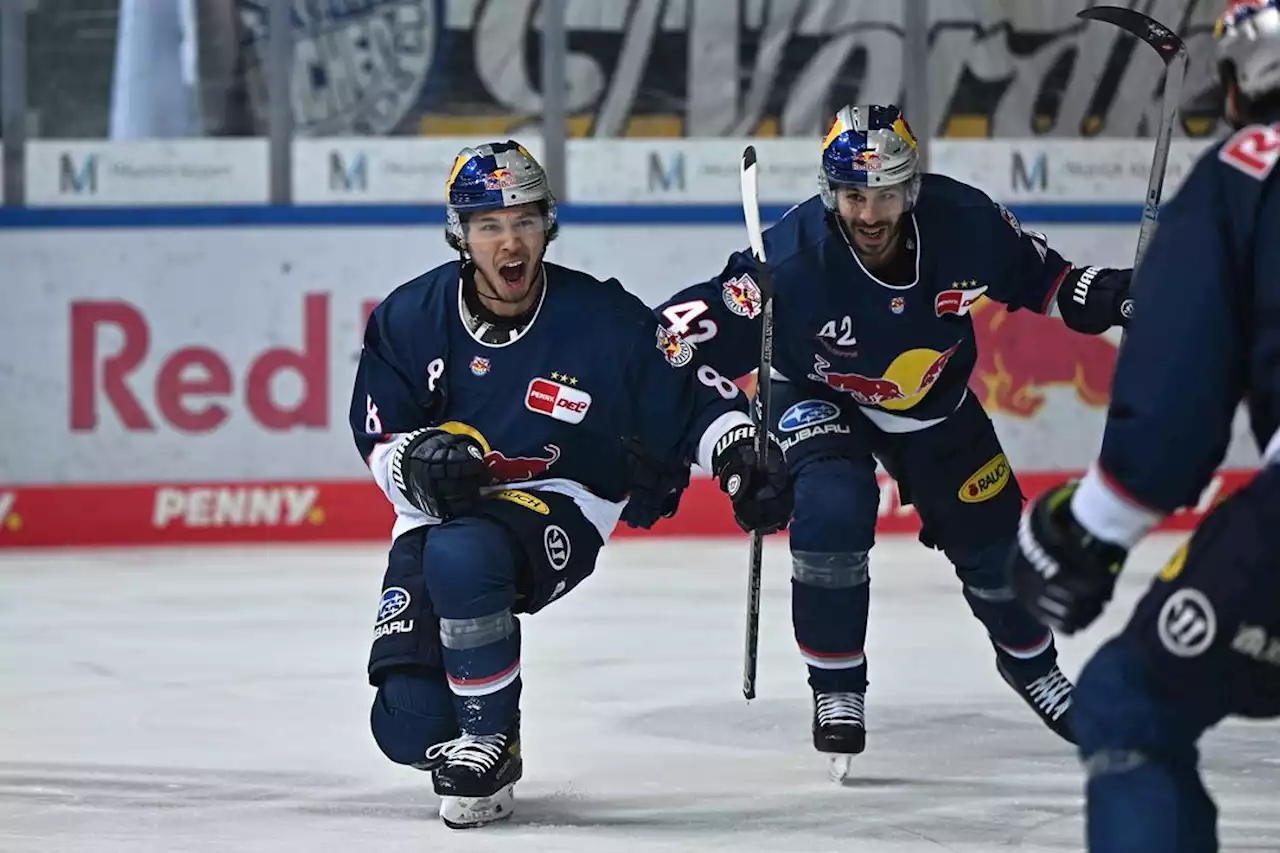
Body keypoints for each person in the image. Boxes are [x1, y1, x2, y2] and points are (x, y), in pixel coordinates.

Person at [654, 103, 1133, 779]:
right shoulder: (790, 259)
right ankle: (837, 685)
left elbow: (1050, 282)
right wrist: (643, 375)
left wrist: (1116, 296)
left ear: (911, 188)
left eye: (885, 193)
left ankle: (1033, 666)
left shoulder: (964, 221)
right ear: (830, 194)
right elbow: (680, 331)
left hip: (932, 405)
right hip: (815, 394)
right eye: (853, 194)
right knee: (832, 503)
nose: (870, 213)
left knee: (996, 544)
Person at [349, 140, 793, 828]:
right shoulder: (410, 317)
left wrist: (741, 456)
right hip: (436, 517)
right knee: (405, 725)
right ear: (460, 234)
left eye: (524, 220)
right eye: (490, 225)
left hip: (564, 498)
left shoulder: (603, 320)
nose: (510, 240)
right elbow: (379, 433)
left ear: (547, 225)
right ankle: (479, 727)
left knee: (465, 552)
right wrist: (412, 462)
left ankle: (489, 741)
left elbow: (697, 394)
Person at [1008, 2, 1280, 849]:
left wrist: (1092, 528)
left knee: (1132, 700)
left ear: (1240, 86)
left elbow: (1170, 416)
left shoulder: (1245, 170)